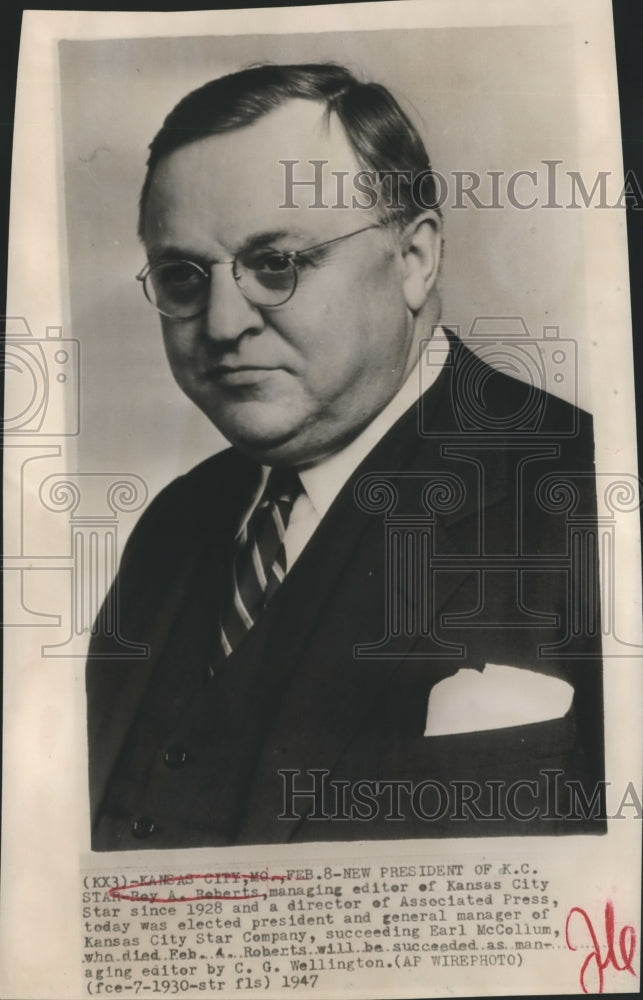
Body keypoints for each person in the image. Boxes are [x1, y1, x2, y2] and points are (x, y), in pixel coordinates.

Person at [86, 63, 604, 850]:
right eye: (183, 276)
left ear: (414, 259)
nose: (223, 324)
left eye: (277, 264)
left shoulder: (589, 494)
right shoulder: (173, 524)